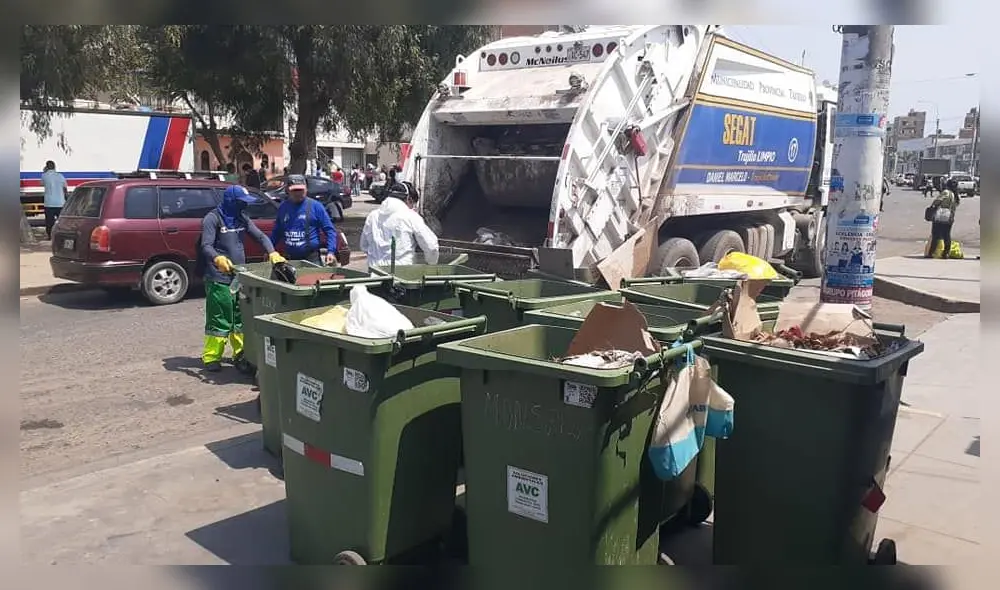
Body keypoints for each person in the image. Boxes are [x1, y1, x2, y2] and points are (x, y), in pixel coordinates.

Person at [200, 185, 285, 372]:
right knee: (220, 318)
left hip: (238, 276)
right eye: (241, 203)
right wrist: (217, 258)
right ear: (232, 202)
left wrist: (272, 252)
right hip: (218, 277)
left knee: (240, 317)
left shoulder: (241, 218)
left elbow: (261, 236)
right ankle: (212, 356)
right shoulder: (212, 219)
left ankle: (240, 353)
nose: (244, 207)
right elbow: (206, 245)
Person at [360, 181, 439, 266]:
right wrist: (431, 263)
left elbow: (364, 246)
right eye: (413, 204)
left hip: (375, 274)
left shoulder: (372, 216)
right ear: (409, 199)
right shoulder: (411, 216)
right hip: (402, 274)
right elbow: (431, 246)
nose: (413, 208)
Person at [270, 174, 339, 265]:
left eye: (301, 190)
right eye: (295, 190)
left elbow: (330, 230)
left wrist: (330, 251)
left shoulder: (316, 206)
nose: (298, 193)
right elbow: (277, 232)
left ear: (306, 189)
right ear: (288, 190)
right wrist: (270, 250)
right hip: (290, 258)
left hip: (311, 258)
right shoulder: (283, 207)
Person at [927, 178, 959, 259]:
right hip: (949, 217)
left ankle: (931, 252)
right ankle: (946, 253)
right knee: (947, 235)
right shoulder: (955, 195)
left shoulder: (946, 192)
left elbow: (937, 201)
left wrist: (933, 207)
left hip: (940, 216)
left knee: (936, 234)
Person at [41, 160, 68, 239]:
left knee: (49, 222)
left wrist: (44, 171)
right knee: (61, 221)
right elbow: (65, 188)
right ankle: (62, 235)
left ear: (47, 167)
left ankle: (50, 236)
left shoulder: (44, 176)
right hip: (60, 202)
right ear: (54, 167)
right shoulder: (60, 176)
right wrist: (66, 198)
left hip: (49, 203)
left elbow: (41, 184)